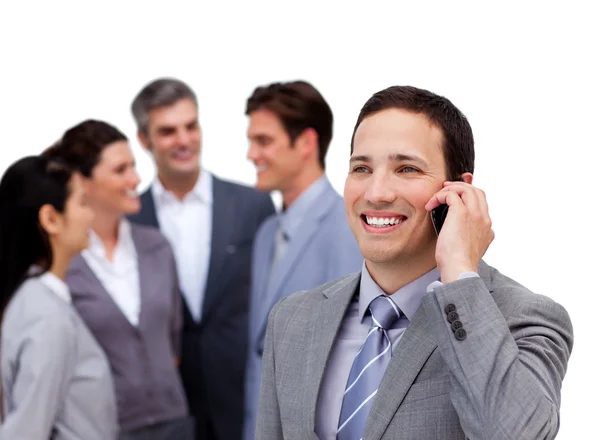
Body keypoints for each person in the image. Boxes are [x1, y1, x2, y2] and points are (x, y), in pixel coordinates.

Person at [256, 86, 574, 440]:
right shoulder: (292, 320)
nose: (376, 193)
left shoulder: (525, 318)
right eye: (361, 168)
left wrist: (458, 271)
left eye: (406, 169)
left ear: (458, 190)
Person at [128, 78, 275, 440]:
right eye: (167, 131)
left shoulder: (252, 205)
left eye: (190, 126)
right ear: (144, 140)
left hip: (243, 394)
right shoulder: (129, 219)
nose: (183, 140)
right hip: (165, 406)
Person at [45, 120, 193, 440]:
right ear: (83, 182)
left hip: (174, 422)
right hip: (104, 429)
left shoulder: (157, 246)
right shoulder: (63, 262)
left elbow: (172, 339)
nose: (136, 179)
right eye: (120, 170)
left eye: (134, 167)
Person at [243, 80, 363, 439]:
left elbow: (353, 354)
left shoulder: (348, 225)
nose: (251, 154)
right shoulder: (266, 234)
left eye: (263, 141)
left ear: (307, 143)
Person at [0, 155, 118, 439]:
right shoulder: (47, 317)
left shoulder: (31, 301)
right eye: (82, 203)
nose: (91, 215)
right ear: (51, 219)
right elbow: (26, 431)